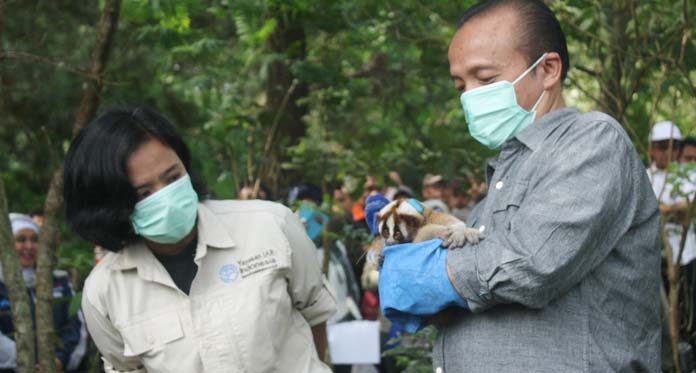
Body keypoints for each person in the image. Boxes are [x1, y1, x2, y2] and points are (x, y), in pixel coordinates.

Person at [379, 0, 661, 371]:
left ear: (547, 69)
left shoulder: (593, 142)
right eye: (461, 85)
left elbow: (529, 264)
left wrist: (433, 271)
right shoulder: (503, 174)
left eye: (485, 78)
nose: (469, 97)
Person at [63, 106, 335, 372]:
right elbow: (126, 367)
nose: (166, 198)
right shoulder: (105, 291)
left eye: (173, 177)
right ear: (110, 207)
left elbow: (314, 316)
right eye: (144, 193)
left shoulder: (271, 225)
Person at [0, 213, 82, 372]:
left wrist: (59, 360)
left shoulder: (58, 280)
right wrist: (28, 364)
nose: (29, 246)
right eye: (21, 239)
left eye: (34, 239)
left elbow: (75, 326)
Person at [647, 121, 696, 265]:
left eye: (673, 147)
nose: (667, 152)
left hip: (689, 254)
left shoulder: (688, 173)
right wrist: (676, 210)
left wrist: (664, 210)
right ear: (651, 149)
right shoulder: (645, 177)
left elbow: (691, 206)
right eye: (662, 147)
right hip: (656, 257)